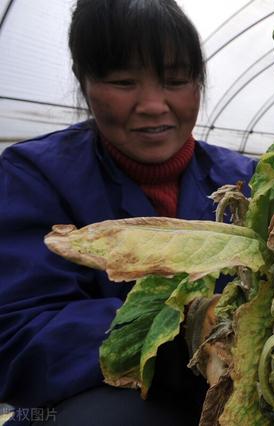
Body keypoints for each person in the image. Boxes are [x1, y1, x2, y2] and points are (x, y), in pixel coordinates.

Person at [0, 1, 256, 424]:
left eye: (176, 81)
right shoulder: (35, 176)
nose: (154, 105)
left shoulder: (247, 179)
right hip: (99, 399)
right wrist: (180, 335)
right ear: (85, 84)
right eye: (123, 81)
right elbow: (19, 329)